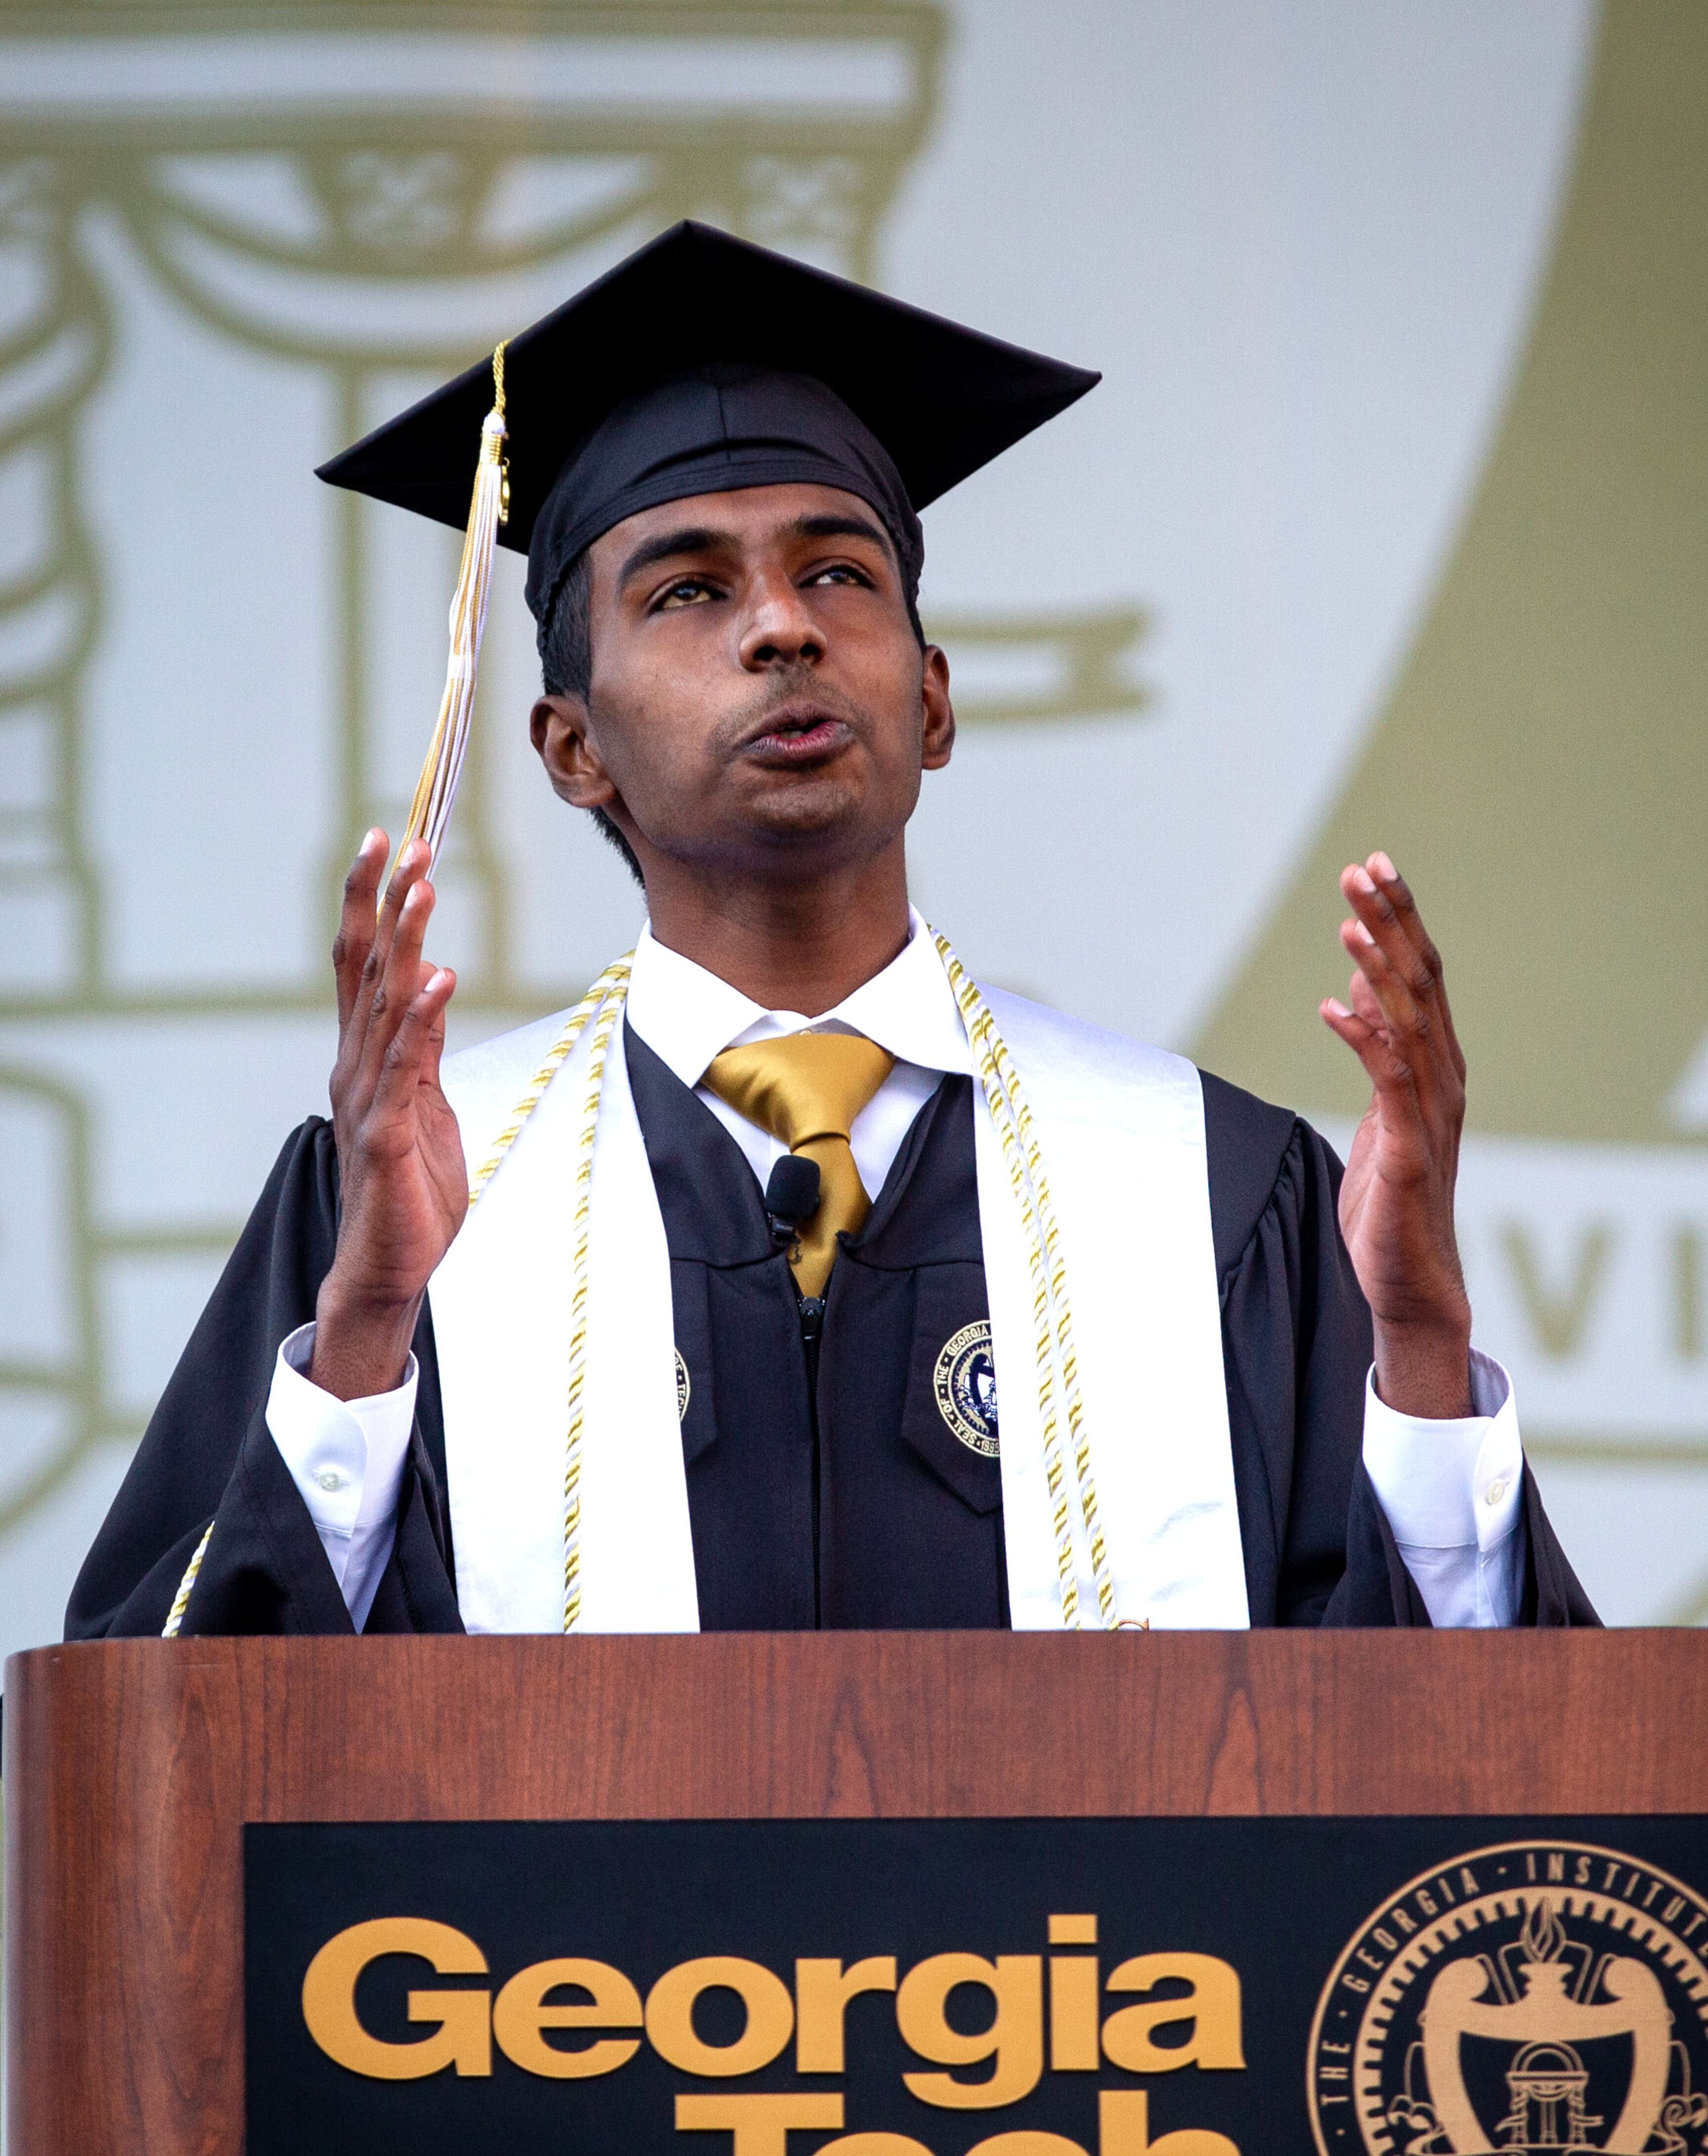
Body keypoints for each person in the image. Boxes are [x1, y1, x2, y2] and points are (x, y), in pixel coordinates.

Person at [66, 223, 1594, 1641]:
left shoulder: (1214, 1192)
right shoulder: (403, 1202)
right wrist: (366, 1339)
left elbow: (1460, 1795)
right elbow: (185, 1771)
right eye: (686, 591)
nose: (782, 626)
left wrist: (1422, 1347)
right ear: (569, 749)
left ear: (932, 702)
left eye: (838, 573)